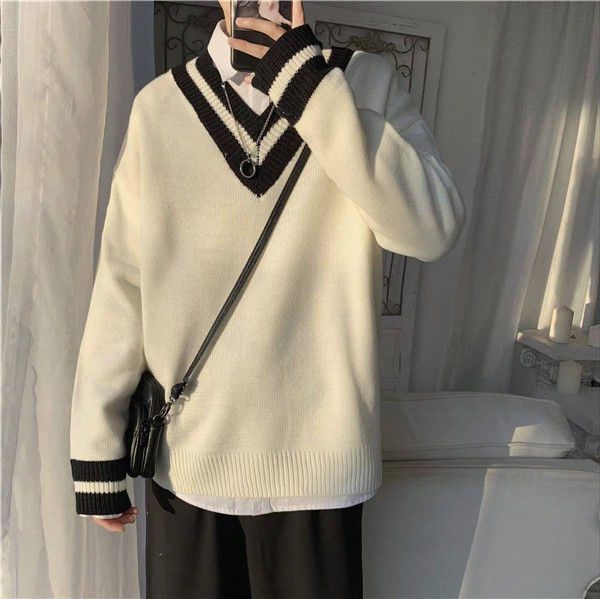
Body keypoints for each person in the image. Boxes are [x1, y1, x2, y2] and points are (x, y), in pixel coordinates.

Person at [69, 0, 466, 596]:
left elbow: (432, 230)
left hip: (321, 471)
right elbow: (123, 282)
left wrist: (309, 85)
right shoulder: (159, 108)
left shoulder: (364, 83)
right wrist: (96, 447)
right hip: (191, 467)